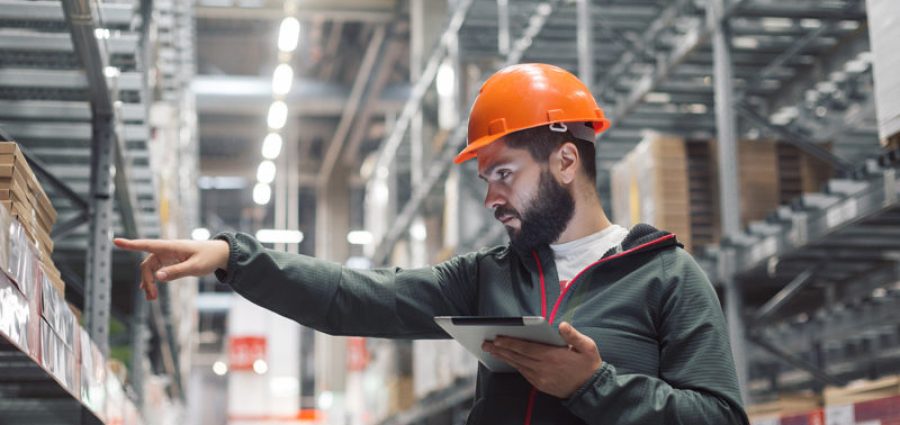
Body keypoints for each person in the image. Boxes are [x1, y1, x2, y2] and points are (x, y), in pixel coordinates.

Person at [116, 63, 750, 424]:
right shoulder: (485, 277)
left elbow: (721, 419)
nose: (491, 196)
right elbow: (354, 297)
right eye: (484, 179)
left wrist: (594, 384)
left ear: (564, 160)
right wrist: (235, 257)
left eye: (505, 173)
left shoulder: (665, 275)